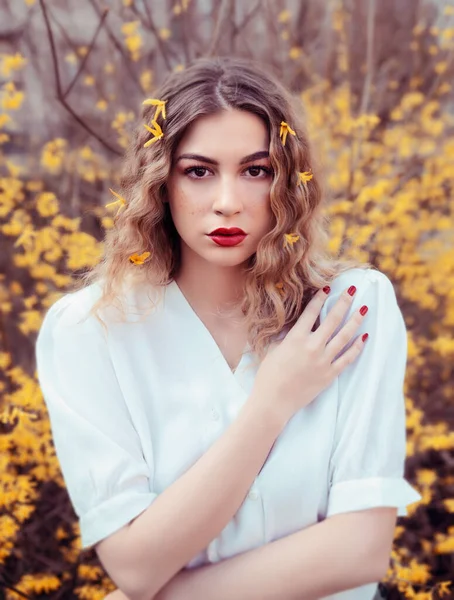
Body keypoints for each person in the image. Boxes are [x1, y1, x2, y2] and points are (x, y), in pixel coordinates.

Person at [35, 56, 421, 600]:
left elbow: (360, 551)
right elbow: (134, 566)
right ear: (161, 182)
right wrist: (271, 405)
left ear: (288, 181)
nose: (227, 203)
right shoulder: (90, 330)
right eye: (198, 171)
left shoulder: (352, 306)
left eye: (256, 171)